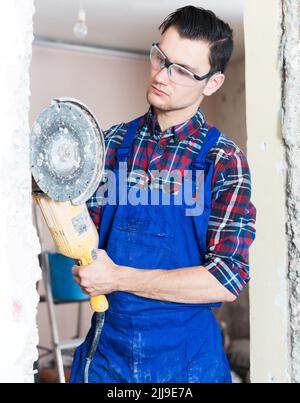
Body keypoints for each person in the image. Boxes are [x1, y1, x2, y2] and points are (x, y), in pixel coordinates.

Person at [70, 5, 256, 383]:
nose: (163, 76)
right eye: (160, 58)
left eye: (183, 71)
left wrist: (119, 278)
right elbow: (82, 239)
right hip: (108, 358)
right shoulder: (109, 144)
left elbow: (225, 278)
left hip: (186, 365)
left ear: (213, 83)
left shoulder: (223, 162)